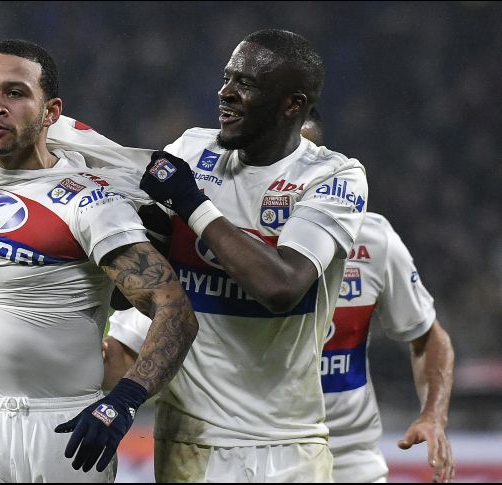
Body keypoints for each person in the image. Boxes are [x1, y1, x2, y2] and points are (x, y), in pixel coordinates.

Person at [105, 110, 456, 483]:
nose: (284, 178)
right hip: (242, 447)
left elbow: (427, 335)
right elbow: (126, 350)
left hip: (350, 460)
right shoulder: (203, 243)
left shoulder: (373, 239)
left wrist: (433, 415)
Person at [0, 39, 198, 483]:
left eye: (15, 93)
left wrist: (123, 401)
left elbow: (175, 311)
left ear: (51, 112)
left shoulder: (91, 203)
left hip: (65, 431)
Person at [126, 29, 370, 482]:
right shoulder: (191, 150)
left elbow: (281, 286)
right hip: (188, 440)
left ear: (292, 104)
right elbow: (132, 286)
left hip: (287, 445)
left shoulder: (333, 176)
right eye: (227, 78)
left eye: (247, 83)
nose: (226, 92)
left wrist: (192, 204)